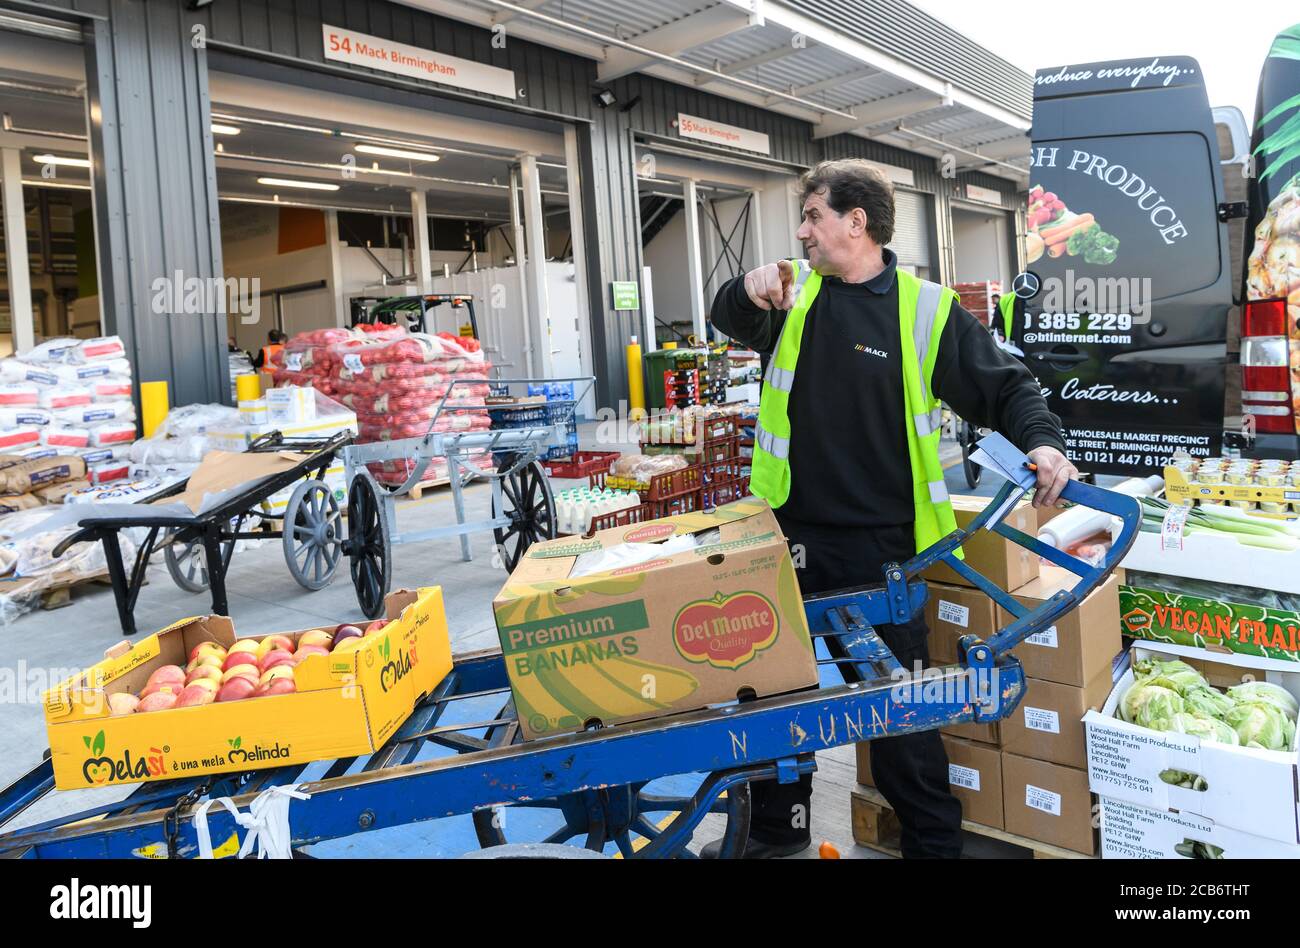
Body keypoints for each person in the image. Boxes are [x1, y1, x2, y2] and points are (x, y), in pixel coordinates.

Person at [703, 159, 1077, 859]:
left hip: (885, 550)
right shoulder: (792, 293)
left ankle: (934, 845)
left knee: (900, 711)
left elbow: (1007, 387)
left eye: (814, 215)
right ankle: (771, 833)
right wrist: (744, 289)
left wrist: (1046, 445)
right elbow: (726, 317)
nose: (802, 230)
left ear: (857, 222)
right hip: (788, 535)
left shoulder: (925, 309)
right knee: (770, 695)